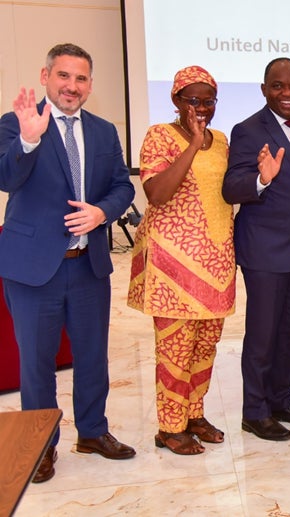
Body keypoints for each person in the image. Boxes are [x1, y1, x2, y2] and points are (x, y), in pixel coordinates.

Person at [0, 43, 136, 483]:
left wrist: (102, 212)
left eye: (80, 79)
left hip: (87, 265)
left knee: (93, 356)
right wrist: (29, 138)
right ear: (46, 77)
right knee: (36, 362)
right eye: (63, 76)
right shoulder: (16, 124)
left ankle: (93, 432)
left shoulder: (102, 131)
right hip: (33, 269)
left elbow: (121, 186)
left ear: (90, 85)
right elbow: (6, 178)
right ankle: (41, 444)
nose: (71, 86)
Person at [127, 66, 235, 454]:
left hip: (217, 258)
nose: (201, 107)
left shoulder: (222, 141)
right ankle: (170, 427)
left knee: (206, 345)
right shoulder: (159, 136)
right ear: (176, 101)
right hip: (173, 263)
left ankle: (194, 413)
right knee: (175, 347)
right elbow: (157, 193)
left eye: (208, 100)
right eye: (193, 100)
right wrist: (191, 143)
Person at [222, 57, 290, 442]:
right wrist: (261, 180)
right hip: (264, 249)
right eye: (279, 86)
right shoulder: (248, 130)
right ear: (264, 89)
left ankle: (281, 399)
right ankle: (255, 411)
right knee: (263, 333)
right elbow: (231, 187)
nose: (288, 93)